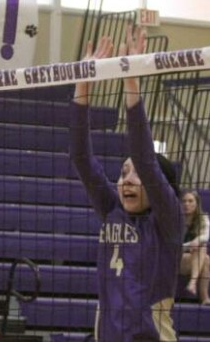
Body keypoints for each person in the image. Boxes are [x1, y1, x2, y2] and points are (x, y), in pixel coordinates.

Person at [70, 27, 184, 342]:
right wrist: (83, 84)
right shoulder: (112, 210)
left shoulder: (168, 221)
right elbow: (80, 157)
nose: (126, 181)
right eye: (122, 173)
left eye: (136, 175)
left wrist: (131, 80)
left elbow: (146, 160)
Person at [180, 189, 210, 304]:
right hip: (175, 259)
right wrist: (190, 245)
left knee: (205, 257)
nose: (187, 204)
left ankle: (204, 297)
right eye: (184, 201)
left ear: (197, 203)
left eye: (190, 201)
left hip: (194, 259)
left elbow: (206, 236)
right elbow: (175, 247)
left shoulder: (203, 219)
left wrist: (197, 240)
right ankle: (195, 286)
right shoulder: (175, 219)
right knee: (203, 253)